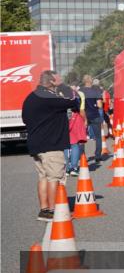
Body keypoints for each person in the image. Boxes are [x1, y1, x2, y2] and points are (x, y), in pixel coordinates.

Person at [22, 70, 79, 220]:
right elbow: (73, 101)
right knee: (55, 177)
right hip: (51, 145)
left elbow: (25, 119)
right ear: (52, 82)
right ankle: (54, 210)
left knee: (43, 177)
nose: (61, 80)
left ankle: (44, 209)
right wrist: (66, 87)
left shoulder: (31, 97)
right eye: (58, 79)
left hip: (36, 144)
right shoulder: (49, 97)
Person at [80, 74, 104, 161]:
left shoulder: (79, 91)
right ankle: (98, 156)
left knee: (82, 137)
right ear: (91, 81)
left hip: (82, 116)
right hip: (94, 115)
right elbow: (99, 105)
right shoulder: (96, 91)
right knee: (98, 137)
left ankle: (82, 156)